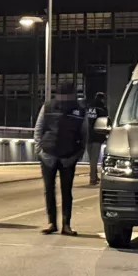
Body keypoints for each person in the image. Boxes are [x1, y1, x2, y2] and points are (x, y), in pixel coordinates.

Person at [34, 81, 88, 235]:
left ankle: (66, 224)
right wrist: (40, 151)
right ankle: (52, 223)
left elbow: (84, 135)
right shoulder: (48, 106)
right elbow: (38, 129)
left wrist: (76, 156)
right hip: (49, 155)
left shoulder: (80, 110)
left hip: (68, 157)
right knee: (49, 190)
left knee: (66, 191)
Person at [86, 91, 109, 185]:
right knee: (94, 159)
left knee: (92, 158)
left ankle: (94, 176)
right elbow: (105, 122)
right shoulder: (102, 109)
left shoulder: (88, 108)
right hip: (96, 136)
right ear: (102, 99)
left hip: (87, 136)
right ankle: (93, 178)